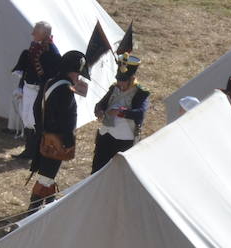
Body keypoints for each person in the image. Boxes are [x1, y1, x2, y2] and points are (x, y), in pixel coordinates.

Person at [28, 50, 87, 214]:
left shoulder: (49, 82)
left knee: (48, 173)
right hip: (57, 139)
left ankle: (47, 205)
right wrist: (68, 142)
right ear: (73, 71)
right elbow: (65, 120)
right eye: (77, 73)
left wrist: (41, 130)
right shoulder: (66, 90)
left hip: (45, 135)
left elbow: (36, 108)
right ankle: (33, 210)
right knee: (46, 175)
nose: (78, 77)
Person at [91, 54, 151, 173]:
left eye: (123, 81)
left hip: (124, 138)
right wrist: (99, 111)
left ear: (131, 79)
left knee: (118, 173)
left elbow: (140, 113)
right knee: (97, 170)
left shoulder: (141, 93)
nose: (120, 83)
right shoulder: (114, 88)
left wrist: (121, 112)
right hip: (105, 135)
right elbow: (100, 104)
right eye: (118, 80)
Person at [14, 21, 62, 162]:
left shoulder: (53, 52)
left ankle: (36, 153)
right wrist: (21, 86)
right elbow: (27, 68)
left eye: (36, 31)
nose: (32, 33)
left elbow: (52, 76)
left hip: (39, 90)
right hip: (29, 87)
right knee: (27, 118)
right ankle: (29, 150)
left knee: (35, 121)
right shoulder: (34, 47)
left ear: (44, 33)